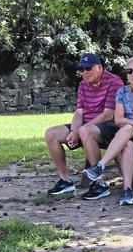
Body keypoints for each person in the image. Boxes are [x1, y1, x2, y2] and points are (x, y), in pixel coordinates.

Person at [82, 56, 133, 206]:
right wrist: (132, 124)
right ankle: (127, 190)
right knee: (128, 145)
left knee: (128, 128)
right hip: (126, 134)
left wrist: (132, 124)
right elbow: (118, 119)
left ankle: (100, 166)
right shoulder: (122, 92)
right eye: (130, 71)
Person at [44, 52, 124, 199]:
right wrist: (74, 131)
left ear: (99, 67)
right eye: (81, 69)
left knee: (86, 131)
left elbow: (108, 114)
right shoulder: (82, 85)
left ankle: (98, 184)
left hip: (109, 127)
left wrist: (79, 131)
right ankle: (65, 181)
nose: (84, 72)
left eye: (88, 68)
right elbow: (79, 112)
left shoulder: (114, 81)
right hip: (86, 127)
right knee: (51, 133)